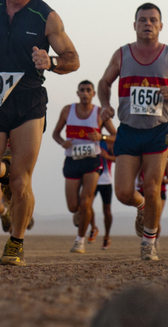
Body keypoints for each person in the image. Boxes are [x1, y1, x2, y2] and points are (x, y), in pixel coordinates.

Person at [0, 0, 79, 266]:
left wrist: (51, 62)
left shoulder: (46, 16)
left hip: (28, 101)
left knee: (21, 180)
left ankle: (15, 243)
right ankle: (3, 169)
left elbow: (73, 59)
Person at [98, 3, 168, 261]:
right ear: (134, 25)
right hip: (129, 131)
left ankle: (148, 243)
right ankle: (141, 206)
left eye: (153, 20)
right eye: (142, 20)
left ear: (161, 26)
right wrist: (106, 105)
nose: (148, 24)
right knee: (123, 193)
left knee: (153, 187)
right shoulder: (122, 54)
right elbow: (104, 82)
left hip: (157, 131)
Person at [52, 80, 115, 254]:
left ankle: (80, 241)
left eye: (89, 90)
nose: (85, 93)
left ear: (94, 94)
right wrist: (62, 142)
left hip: (92, 162)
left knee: (86, 202)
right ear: (77, 93)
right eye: (82, 90)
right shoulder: (67, 110)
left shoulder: (99, 114)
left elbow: (116, 136)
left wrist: (101, 137)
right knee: (73, 206)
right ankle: (83, 217)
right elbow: (55, 133)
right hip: (72, 161)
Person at [94, 135, 117, 249]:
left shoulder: (108, 141)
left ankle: (107, 237)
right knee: (85, 205)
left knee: (107, 210)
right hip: (91, 179)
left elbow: (118, 158)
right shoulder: (88, 137)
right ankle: (93, 227)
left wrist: (107, 156)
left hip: (105, 181)